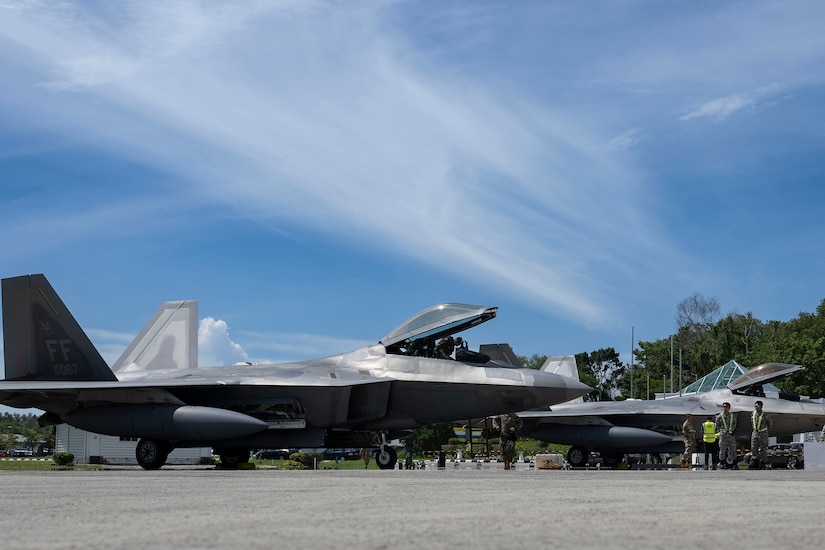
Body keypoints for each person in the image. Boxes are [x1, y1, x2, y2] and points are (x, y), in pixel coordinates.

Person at [750, 400, 772, 469]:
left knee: (763, 448)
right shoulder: (753, 414)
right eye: (755, 406)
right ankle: (755, 462)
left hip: (763, 433)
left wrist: (764, 430)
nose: (756, 408)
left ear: (761, 407)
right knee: (754, 447)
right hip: (755, 433)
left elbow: (769, 424)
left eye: (757, 406)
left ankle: (763, 462)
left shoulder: (765, 414)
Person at [715, 402, 738, 469]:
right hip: (723, 435)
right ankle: (722, 463)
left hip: (731, 435)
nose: (725, 408)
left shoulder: (732, 416)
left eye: (726, 407)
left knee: (733, 449)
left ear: (729, 408)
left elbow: (734, 423)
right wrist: (720, 432)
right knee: (722, 449)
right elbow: (717, 425)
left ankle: (734, 464)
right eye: (724, 407)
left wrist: (732, 430)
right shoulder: (720, 416)